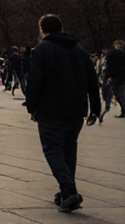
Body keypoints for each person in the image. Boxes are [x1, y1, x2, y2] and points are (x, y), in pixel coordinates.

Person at [24, 14, 100, 213]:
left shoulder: (42, 50)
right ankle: (65, 192)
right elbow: (92, 80)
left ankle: (69, 190)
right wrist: (96, 109)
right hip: (76, 110)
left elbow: (35, 81)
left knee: (53, 150)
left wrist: (32, 106)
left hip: (51, 110)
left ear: (42, 29)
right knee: (69, 151)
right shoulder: (79, 49)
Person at [105, 40, 125, 120]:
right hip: (120, 77)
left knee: (119, 93)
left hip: (117, 77)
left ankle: (123, 109)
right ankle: (123, 109)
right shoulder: (122, 54)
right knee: (120, 93)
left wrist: (108, 74)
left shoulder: (112, 54)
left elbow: (108, 65)